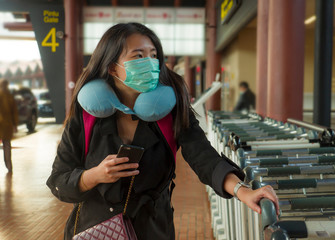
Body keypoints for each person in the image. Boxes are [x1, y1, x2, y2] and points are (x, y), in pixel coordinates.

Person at [47, 23, 279, 240]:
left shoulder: (170, 109)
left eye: (153, 55)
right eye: (138, 56)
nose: (150, 62)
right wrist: (94, 175)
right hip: (95, 230)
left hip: (152, 229)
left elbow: (203, 157)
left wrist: (242, 190)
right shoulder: (86, 114)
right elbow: (59, 179)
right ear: (112, 67)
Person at [0, 78, 18, 173]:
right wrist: (15, 125)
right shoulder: (10, 96)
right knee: (7, 145)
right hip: (7, 125)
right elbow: (14, 112)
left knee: (6, 145)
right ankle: (9, 166)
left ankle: (8, 166)